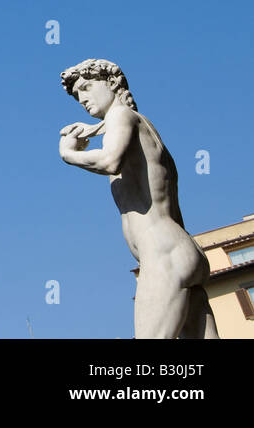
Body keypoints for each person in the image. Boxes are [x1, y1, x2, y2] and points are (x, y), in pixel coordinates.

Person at [58, 59, 217, 338]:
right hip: (179, 250)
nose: (82, 98)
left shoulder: (122, 117)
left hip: (161, 254)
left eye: (86, 87)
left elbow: (110, 160)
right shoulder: (139, 126)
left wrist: (69, 155)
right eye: (76, 95)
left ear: (112, 83)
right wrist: (94, 130)